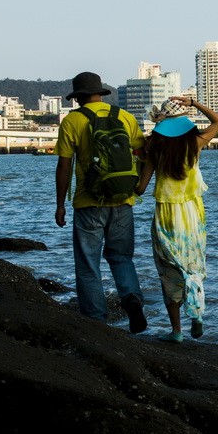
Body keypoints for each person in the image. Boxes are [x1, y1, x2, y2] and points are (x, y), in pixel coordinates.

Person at [54, 71, 148, 331]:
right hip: (123, 199)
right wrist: (140, 186)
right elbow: (143, 154)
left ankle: (96, 321)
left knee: (88, 264)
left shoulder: (73, 121)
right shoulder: (124, 116)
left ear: (77, 98)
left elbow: (64, 165)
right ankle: (131, 299)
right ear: (100, 93)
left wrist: (60, 204)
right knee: (121, 258)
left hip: (88, 203)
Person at [135, 95, 218, 343]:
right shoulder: (194, 143)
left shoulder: (154, 149)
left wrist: (138, 165)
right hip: (192, 214)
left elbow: (140, 189)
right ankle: (197, 316)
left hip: (166, 215)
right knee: (192, 266)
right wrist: (193, 103)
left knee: (168, 270)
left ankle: (176, 331)